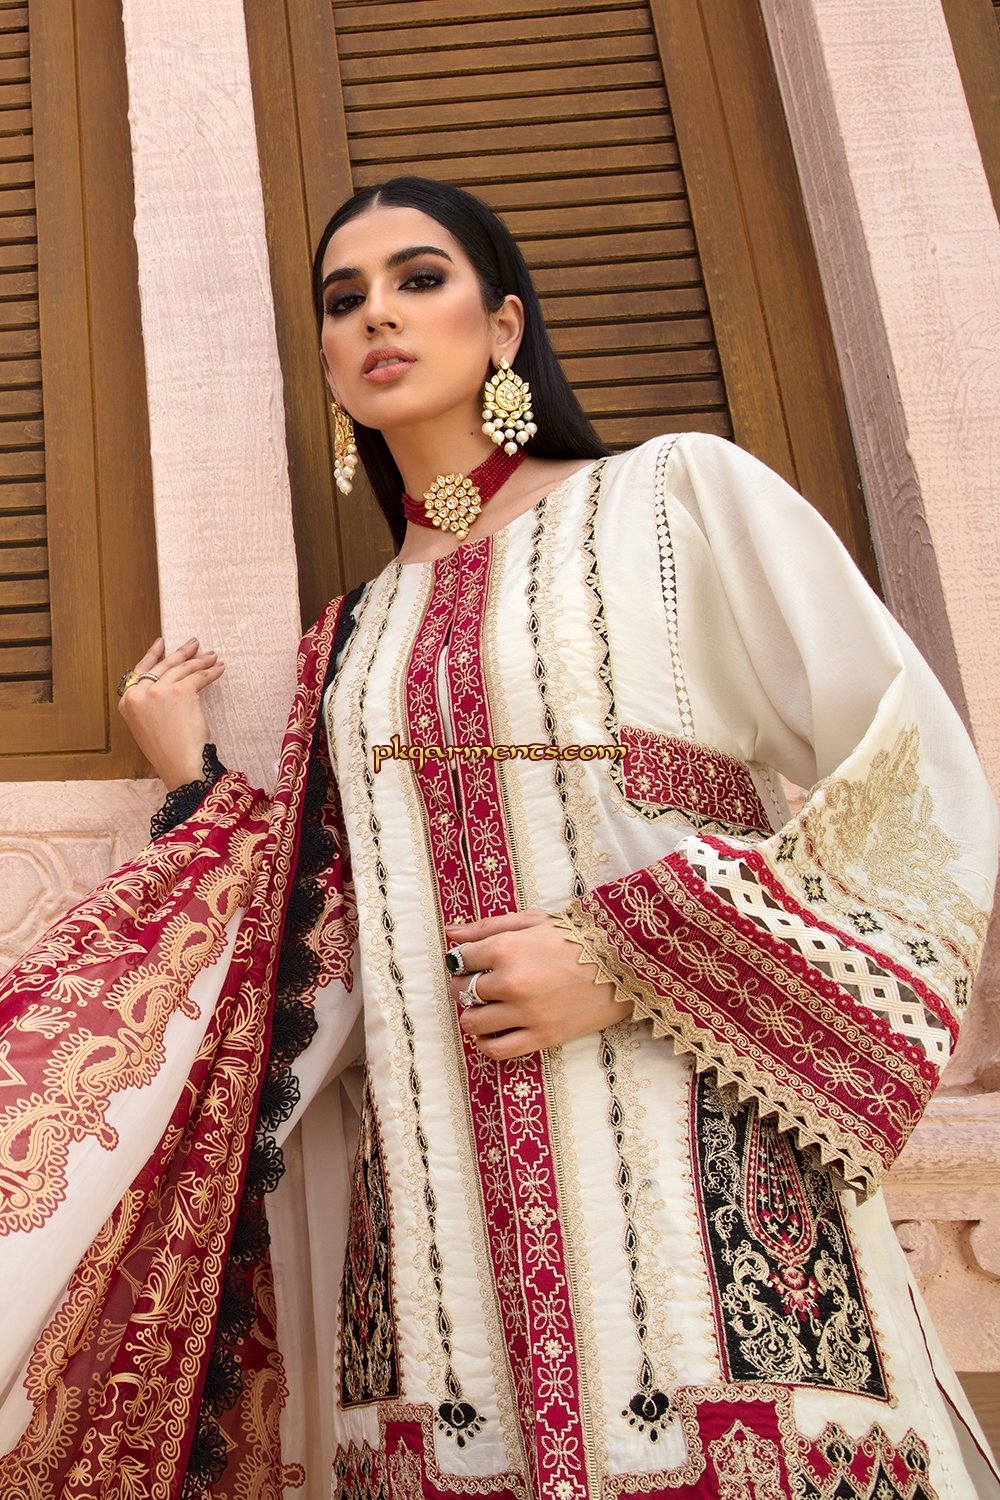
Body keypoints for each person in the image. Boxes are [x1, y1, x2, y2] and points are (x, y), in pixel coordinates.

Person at [0, 176, 997, 1500]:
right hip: (437, 1278)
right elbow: (318, 937)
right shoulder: (349, 641)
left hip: (702, 1223)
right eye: (344, 300)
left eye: (419, 280)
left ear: (506, 324)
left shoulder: (675, 501)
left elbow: (913, 779)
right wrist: (202, 783)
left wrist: (632, 952)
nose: (377, 316)